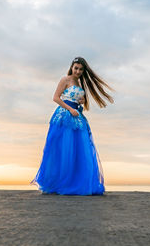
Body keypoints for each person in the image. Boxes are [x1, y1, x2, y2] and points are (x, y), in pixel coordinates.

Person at [30, 56, 114, 195]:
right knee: (63, 149)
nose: (78, 71)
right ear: (72, 67)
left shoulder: (80, 83)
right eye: (76, 68)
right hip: (64, 116)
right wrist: (70, 109)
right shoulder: (65, 79)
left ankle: (75, 181)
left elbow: (75, 100)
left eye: (81, 69)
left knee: (79, 149)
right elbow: (56, 97)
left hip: (76, 115)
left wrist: (80, 102)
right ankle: (59, 182)